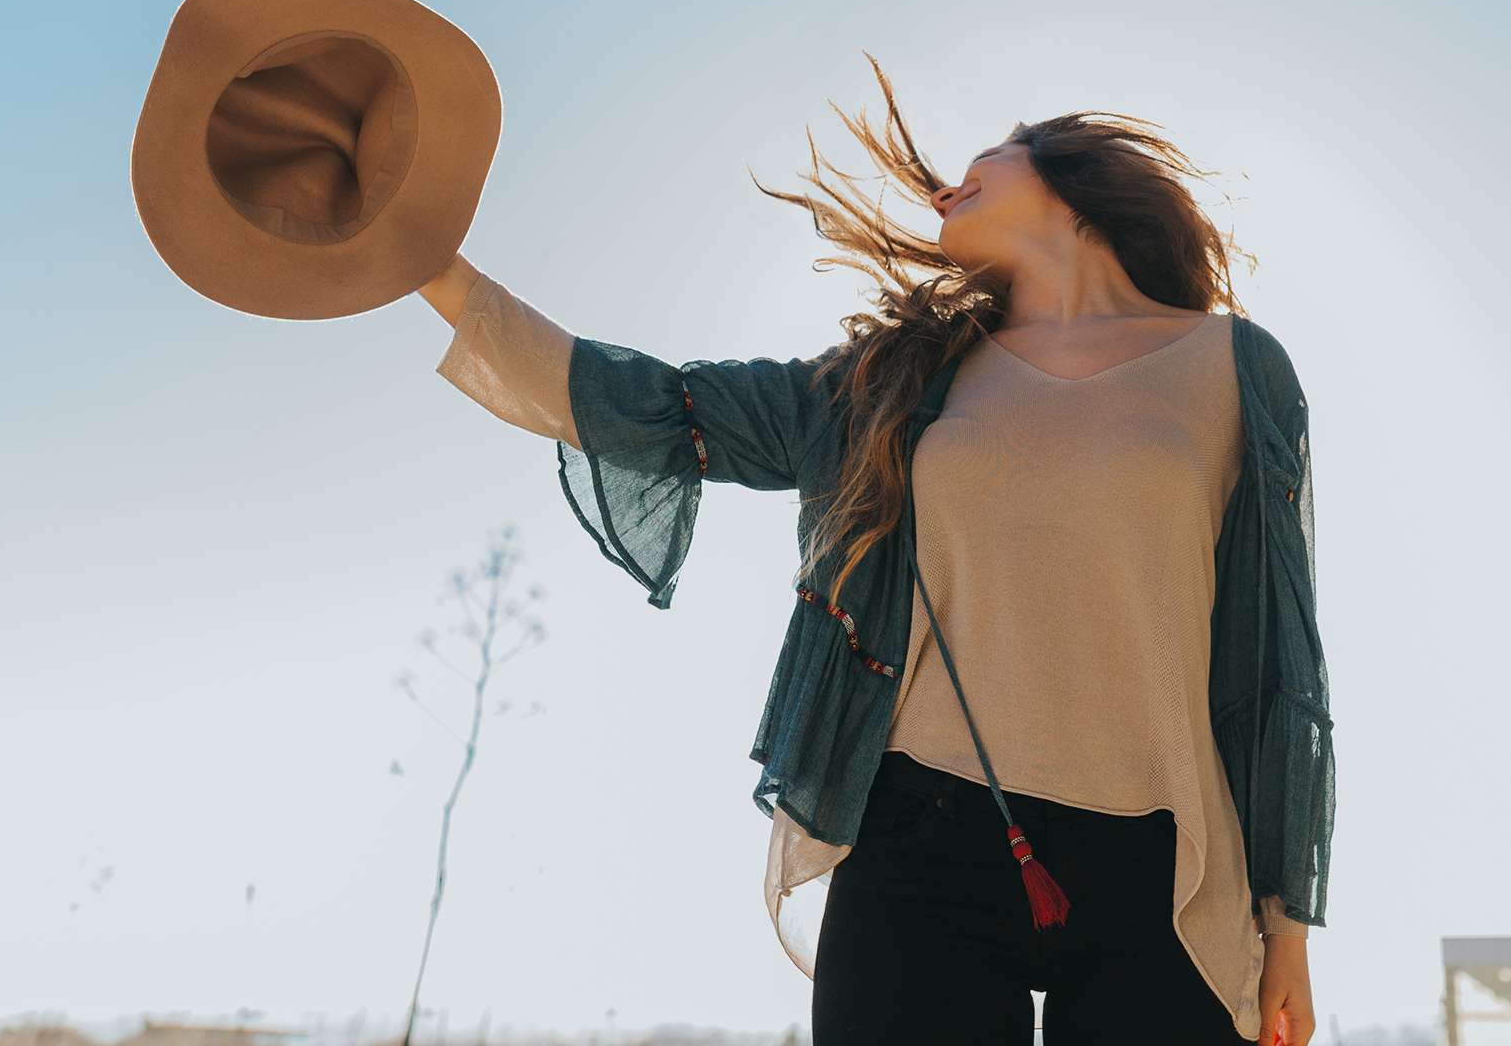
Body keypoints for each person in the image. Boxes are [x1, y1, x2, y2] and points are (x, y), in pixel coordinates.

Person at [419, 70, 1330, 1046]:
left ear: (1075, 180)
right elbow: (652, 402)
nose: (945, 190)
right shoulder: (894, 378)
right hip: (921, 835)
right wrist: (426, 267)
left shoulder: (1238, 368)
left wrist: (1286, 928)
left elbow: (1279, 656)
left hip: (1169, 863)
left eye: (983, 161)